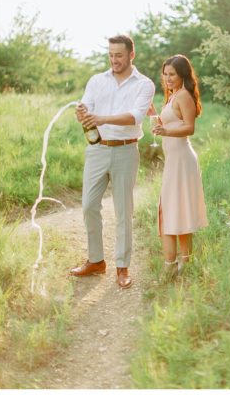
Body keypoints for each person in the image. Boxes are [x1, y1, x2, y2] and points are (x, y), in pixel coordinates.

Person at [70, 34, 155, 289]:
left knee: (123, 210)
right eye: (110, 55)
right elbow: (86, 110)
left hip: (126, 151)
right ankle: (96, 261)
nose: (114, 60)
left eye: (119, 55)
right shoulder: (97, 80)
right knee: (88, 206)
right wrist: (82, 113)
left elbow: (135, 117)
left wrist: (101, 118)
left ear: (131, 54)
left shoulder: (144, 84)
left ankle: (122, 266)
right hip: (97, 150)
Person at [151, 55, 207, 279]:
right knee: (177, 209)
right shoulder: (173, 96)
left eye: (172, 74)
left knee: (170, 210)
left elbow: (189, 127)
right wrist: (157, 121)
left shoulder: (184, 95)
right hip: (174, 161)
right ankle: (182, 263)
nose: (167, 78)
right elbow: (171, 123)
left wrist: (165, 131)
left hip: (183, 160)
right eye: (165, 74)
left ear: (183, 74)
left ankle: (173, 265)